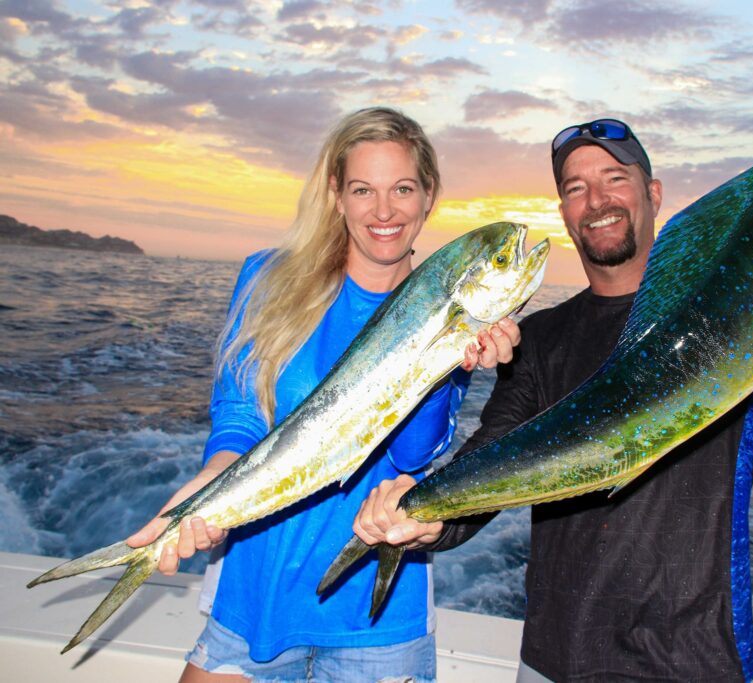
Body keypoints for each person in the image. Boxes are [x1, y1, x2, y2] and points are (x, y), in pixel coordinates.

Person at [353, 118, 753, 682]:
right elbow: (492, 460)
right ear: (565, 215)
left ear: (653, 193)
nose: (596, 200)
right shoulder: (542, 338)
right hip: (554, 663)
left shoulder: (743, 319)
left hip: (695, 664)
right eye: (575, 189)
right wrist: (427, 521)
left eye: (614, 178)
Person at [126, 107, 520, 683]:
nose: (383, 211)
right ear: (336, 194)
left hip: (376, 621)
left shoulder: (452, 309)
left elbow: (413, 459)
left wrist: (444, 363)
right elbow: (239, 415)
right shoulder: (267, 276)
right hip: (253, 595)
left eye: (402, 189)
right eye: (363, 189)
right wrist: (213, 480)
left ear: (428, 195)